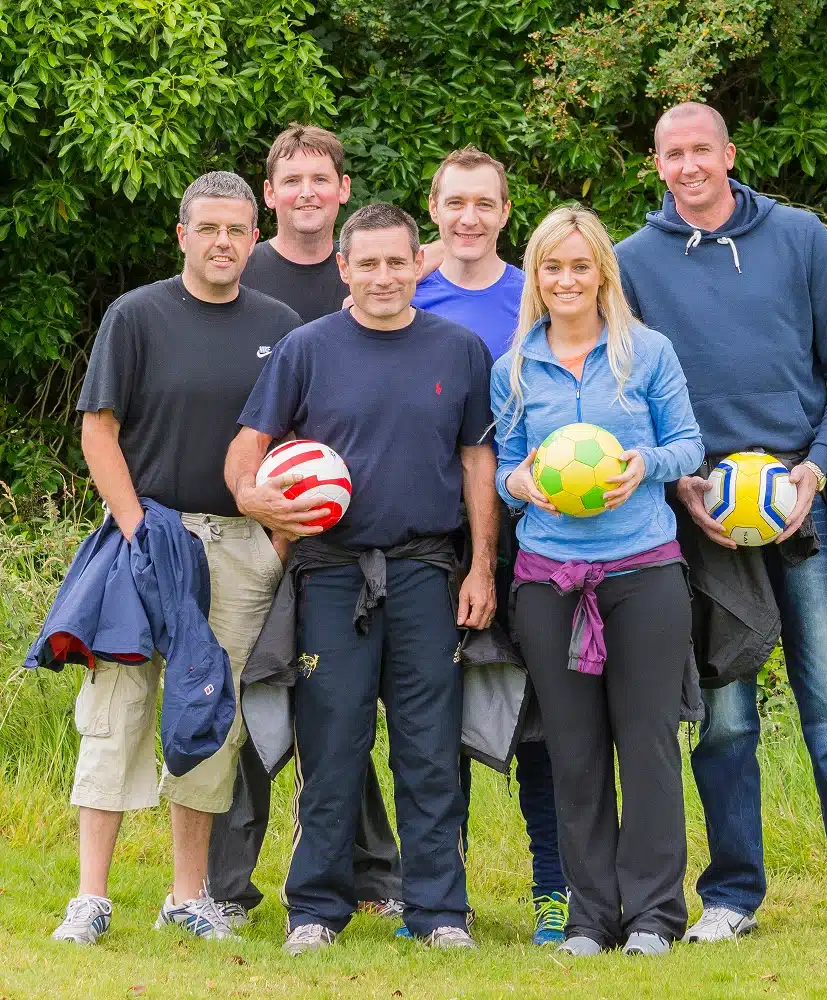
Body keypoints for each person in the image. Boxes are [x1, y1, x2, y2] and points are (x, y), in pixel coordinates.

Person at [615, 101, 827, 940]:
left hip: (799, 512)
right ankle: (731, 896)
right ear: (657, 163)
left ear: (729, 153)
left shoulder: (799, 237)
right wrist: (683, 491)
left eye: (701, 150)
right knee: (725, 719)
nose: (688, 167)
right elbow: (630, 391)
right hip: (704, 517)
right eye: (672, 154)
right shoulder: (633, 261)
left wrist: (813, 471)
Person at [226, 202, 498, 955]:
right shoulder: (306, 348)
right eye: (367, 263)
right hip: (332, 575)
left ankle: (440, 912)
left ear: (421, 264)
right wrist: (255, 499)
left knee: (428, 747)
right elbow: (247, 451)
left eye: (396, 262)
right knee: (332, 743)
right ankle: (314, 910)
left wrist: (481, 564)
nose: (383, 276)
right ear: (344, 269)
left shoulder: (460, 349)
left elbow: (479, 462)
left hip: (426, 572)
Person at [51, 171, 304, 944]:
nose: (223, 242)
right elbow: (99, 431)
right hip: (144, 536)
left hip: (237, 546)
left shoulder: (283, 324)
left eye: (237, 230)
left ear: (253, 238)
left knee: (208, 715)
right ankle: (90, 897)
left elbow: (294, 441)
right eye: (209, 229)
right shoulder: (137, 315)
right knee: (117, 710)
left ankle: (187, 895)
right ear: (183, 235)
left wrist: (276, 542)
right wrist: (134, 529)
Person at [492, 205, 704, 956]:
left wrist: (645, 464)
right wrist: (523, 482)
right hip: (548, 581)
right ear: (537, 278)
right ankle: (590, 918)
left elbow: (689, 444)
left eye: (581, 266)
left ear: (602, 274)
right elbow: (505, 469)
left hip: (642, 573)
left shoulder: (646, 354)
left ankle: (652, 915)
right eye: (553, 267)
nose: (567, 279)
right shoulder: (514, 367)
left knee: (645, 743)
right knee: (574, 751)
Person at [208, 123, 405, 927]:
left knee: (343, 703)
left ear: (344, 190)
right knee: (251, 703)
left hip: (359, 538)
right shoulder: (237, 271)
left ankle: (373, 873)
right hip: (257, 525)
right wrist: (256, 500)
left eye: (322, 178)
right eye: (292, 180)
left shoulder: (370, 272)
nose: (308, 193)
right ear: (269, 194)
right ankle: (224, 886)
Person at [412, 146, 569, 946]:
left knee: (538, 720)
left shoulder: (532, 297)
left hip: (533, 539)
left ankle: (554, 890)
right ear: (433, 208)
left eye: (485, 203)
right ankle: (445, 899)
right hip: (434, 543)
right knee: (436, 723)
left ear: (506, 213)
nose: (468, 217)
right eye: (454, 203)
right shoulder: (404, 290)